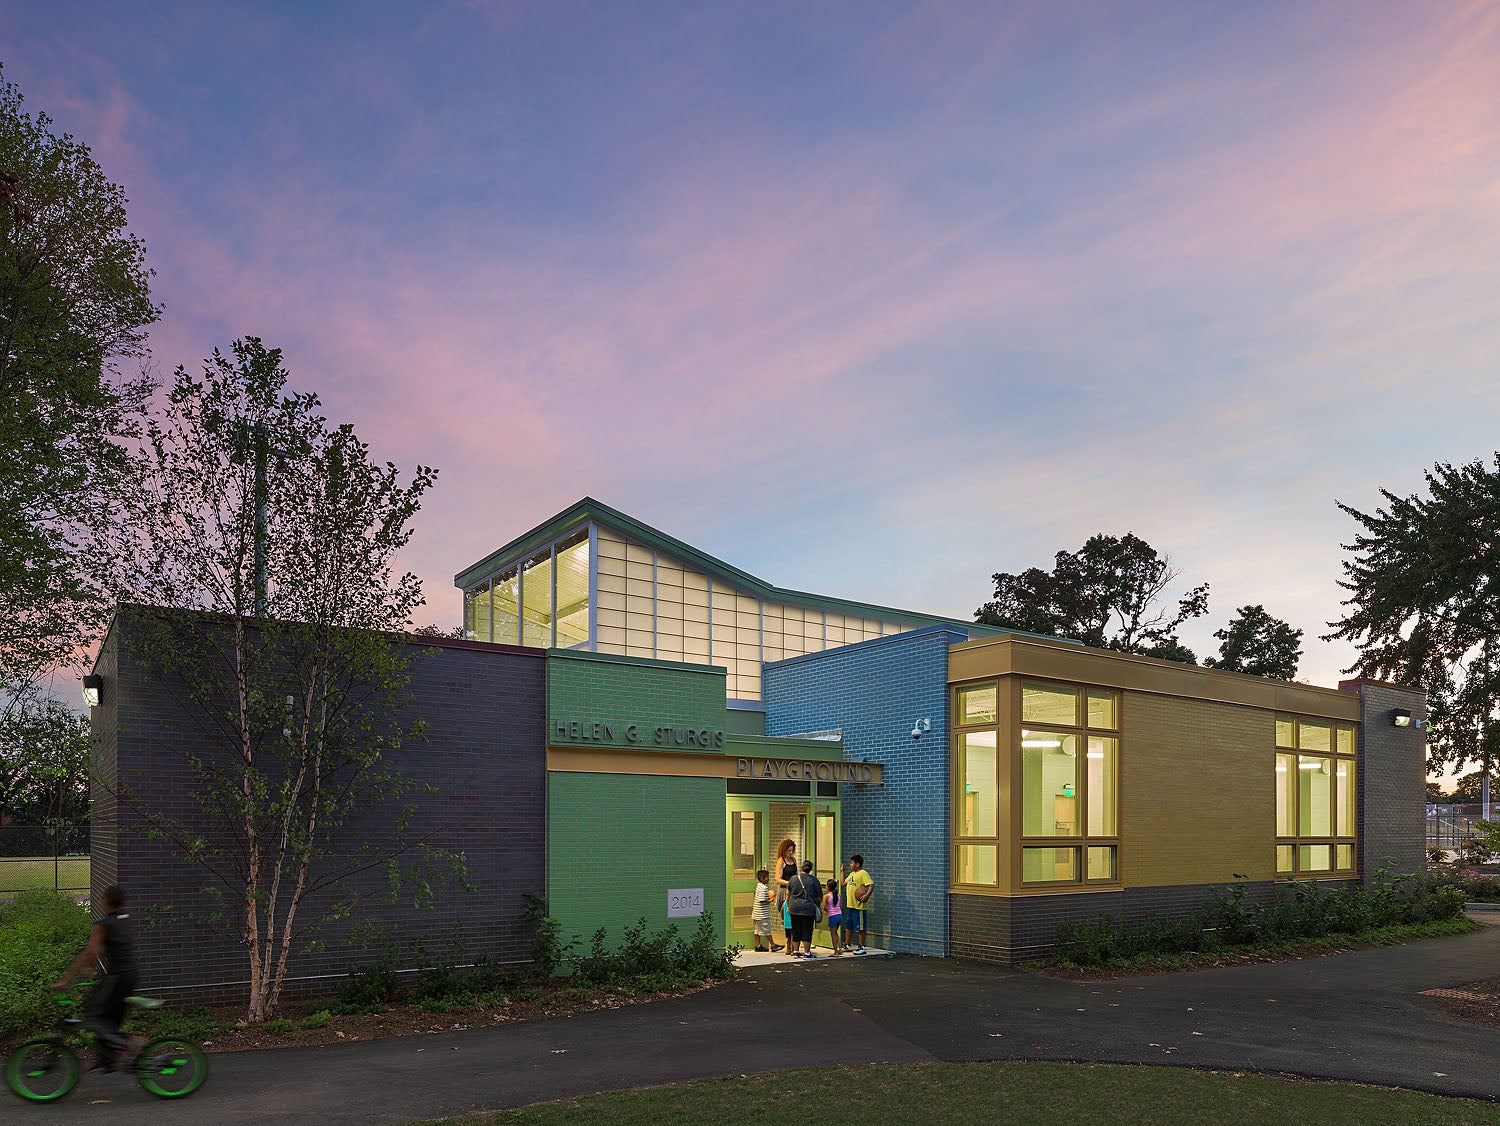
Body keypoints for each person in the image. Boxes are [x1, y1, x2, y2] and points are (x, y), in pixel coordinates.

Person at [55, 884, 140, 1072]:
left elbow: (90, 952)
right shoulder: (125, 919)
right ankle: (108, 1058)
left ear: (105, 901)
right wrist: (92, 967)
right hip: (131, 975)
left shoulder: (104, 925)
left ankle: (127, 1045)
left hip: (118, 977)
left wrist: (66, 980)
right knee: (108, 1019)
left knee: (92, 1016)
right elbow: (105, 950)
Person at [786, 860, 821, 958]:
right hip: (808, 909)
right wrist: (817, 904)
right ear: (811, 870)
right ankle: (807, 952)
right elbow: (819, 896)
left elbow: (788, 894)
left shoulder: (793, 879)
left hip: (794, 908)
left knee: (795, 930)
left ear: (801, 868)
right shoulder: (814, 880)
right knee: (807, 930)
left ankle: (796, 951)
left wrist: (788, 905)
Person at [840, 855, 874, 954]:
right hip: (850, 905)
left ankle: (861, 946)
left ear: (857, 864)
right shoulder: (851, 874)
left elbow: (871, 885)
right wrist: (842, 871)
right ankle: (847, 944)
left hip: (859, 906)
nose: (850, 865)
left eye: (852, 863)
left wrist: (866, 895)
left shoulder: (863, 873)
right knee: (849, 926)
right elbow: (842, 883)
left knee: (861, 927)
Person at [775, 838, 798, 955]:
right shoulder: (781, 861)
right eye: (788, 851)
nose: (790, 853)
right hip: (784, 891)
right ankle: (788, 943)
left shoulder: (793, 860)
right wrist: (789, 883)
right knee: (787, 919)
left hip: (793, 891)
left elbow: (796, 874)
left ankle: (793, 944)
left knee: (794, 918)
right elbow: (777, 879)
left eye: (792, 851)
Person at [751, 868, 777, 952]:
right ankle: (773, 945)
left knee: (757, 930)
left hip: (756, 913)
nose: (768, 879)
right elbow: (761, 900)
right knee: (767, 929)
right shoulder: (764, 888)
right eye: (767, 877)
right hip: (762, 913)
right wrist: (770, 900)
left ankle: (758, 945)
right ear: (762, 878)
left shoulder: (759, 886)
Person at [823, 878, 843, 956]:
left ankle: (835, 952)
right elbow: (840, 906)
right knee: (836, 933)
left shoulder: (826, 896)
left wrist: (826, 911)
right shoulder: (838, 895)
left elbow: (825, 907)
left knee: (833, 934)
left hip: (832, 916)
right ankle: (840, 948)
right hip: (839, 915)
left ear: (828, 887)